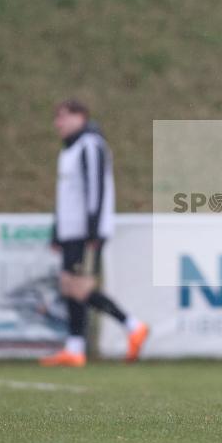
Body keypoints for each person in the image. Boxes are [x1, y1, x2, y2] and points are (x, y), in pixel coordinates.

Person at [40, 99, 150, 367]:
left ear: (80, 117)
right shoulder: (68, 150)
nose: (58, 123)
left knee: (79, 288)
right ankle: (75, 349)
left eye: (63, 117)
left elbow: (96, 189)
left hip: (85, 231)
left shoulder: (91, 145)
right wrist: (57, 232)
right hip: (69, 231)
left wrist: (92, 230)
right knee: (69, 286)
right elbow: (65, 197)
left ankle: (133, 326)